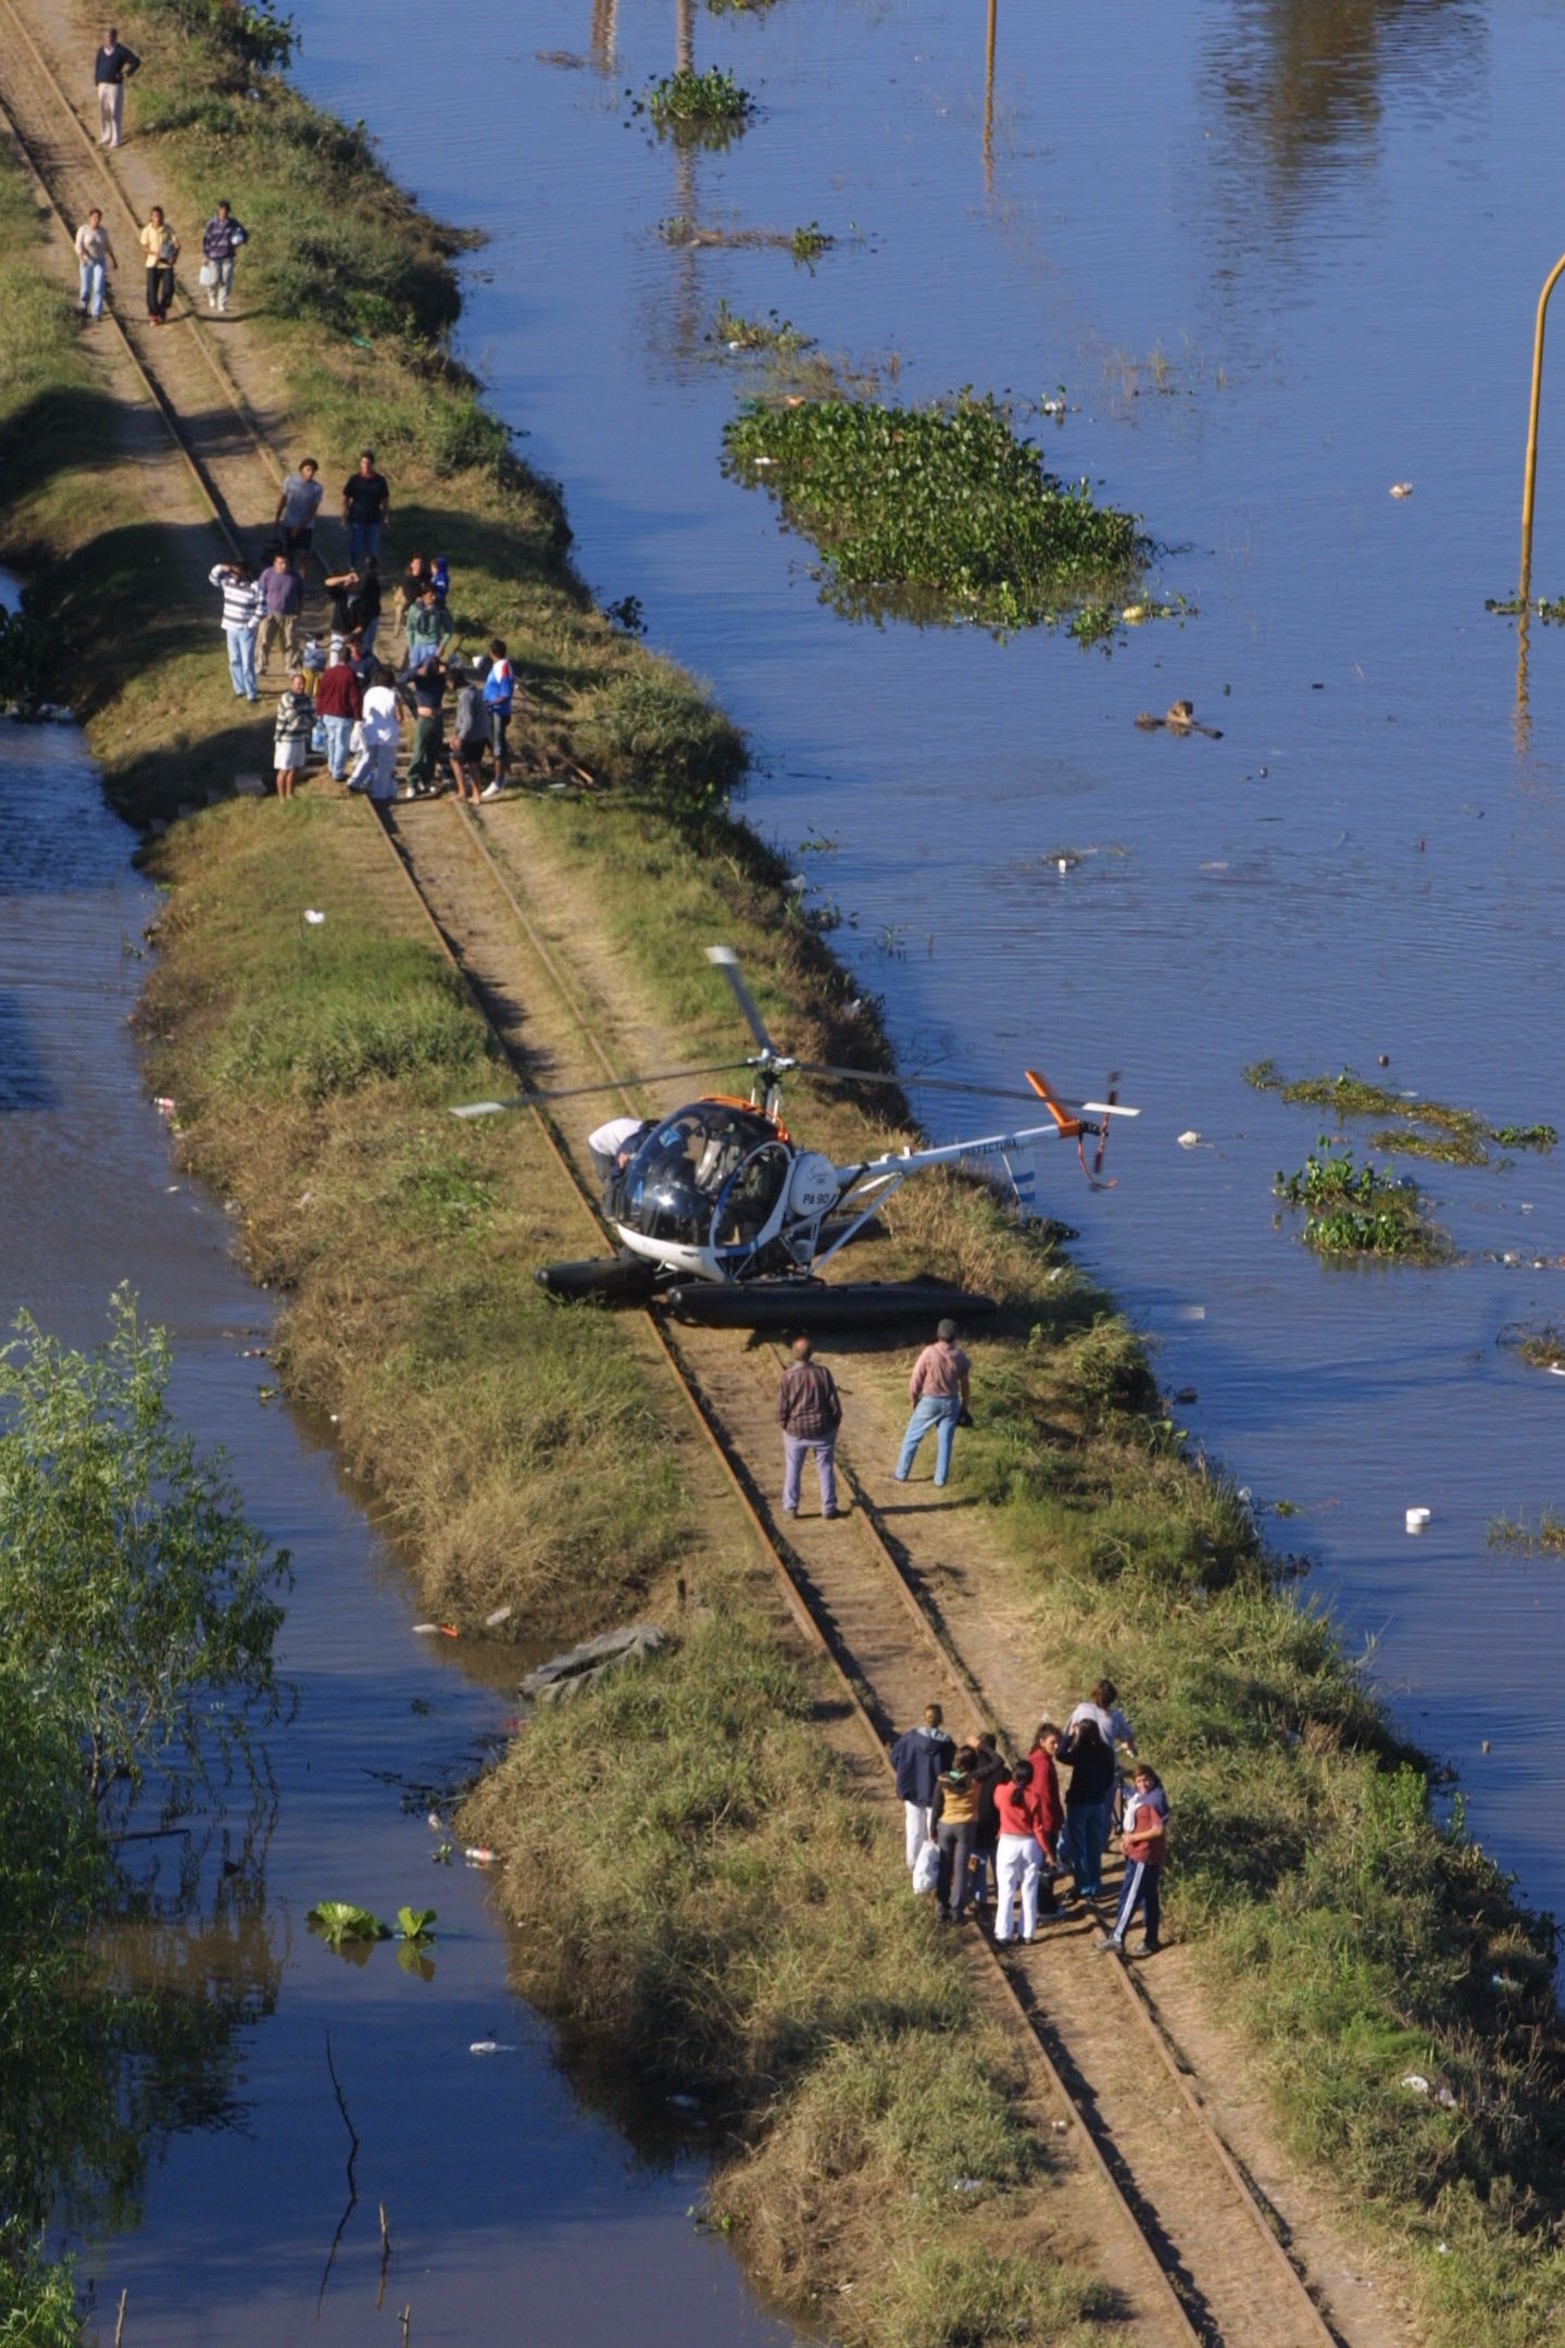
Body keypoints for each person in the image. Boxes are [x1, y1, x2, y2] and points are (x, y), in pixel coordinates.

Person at [1096, 1766, 1170, 1957]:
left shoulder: (1155, 1799)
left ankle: (1117, 1937)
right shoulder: (1142, 1797)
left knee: (1130, 1896)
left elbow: (1158, 1830)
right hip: (1143, 1854)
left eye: (1146, 1780)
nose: (1142, 1784)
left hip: (1144, 1855)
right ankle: (1151, 1939)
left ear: (1153, 1779)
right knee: (1149, 1898)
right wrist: (1127, 1840)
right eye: (1138, 1781)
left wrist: (1132, 1839)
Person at [892, 1318, 970, 1489]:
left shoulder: (929, 1352)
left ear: (938, 1334)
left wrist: (913, 1400)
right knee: (945, 1442)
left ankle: (901, 1473)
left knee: (912, 1437)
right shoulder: (960, 1355)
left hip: (930, 1401)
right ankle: (940, 1480)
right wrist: (965, 1405)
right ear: (955, 1336)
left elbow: (916, 1378)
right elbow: (965, 1383)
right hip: (952, 1401)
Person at [775, 1335, 842, 1522]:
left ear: (794, 1354)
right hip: (822, 1429)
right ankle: (828, 1507)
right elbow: (834, 1404)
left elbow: (781, 1409)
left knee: (793, 1468)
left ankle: (790, 1507)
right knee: (826, 1467)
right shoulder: (823, 1373)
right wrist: (834, 1424)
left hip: (795, 1432)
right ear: (811, 1353)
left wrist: (785, 1426)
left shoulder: (787, 1377)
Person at [890, 1703, 953, 1874]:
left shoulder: (909, 1738)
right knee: (934, 1833)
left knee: (914, 1831)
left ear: (923, 1718)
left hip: (912, 1791)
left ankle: (913, 1867)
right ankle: (933, 1869)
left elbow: (894, 1758)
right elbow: (953, 1770)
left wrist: (907, 1773)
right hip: (936, 1794)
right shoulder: (947, 1744)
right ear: (940, 1720)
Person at [992, 1759, 1050, 1945]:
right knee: (1029, 1888)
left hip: (1008, 1842)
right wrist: (1047, 1850)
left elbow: (998, 1806)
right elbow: (1038, 1827)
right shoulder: (1034, 1797)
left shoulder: (1000, 1791)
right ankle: (1027, 1932)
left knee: (1006, 1889)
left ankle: (1003, 1932)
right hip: (1030, 1844)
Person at [1060, 1715, 1116, 1902]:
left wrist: (1067, 1737)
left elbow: (1060, 1755)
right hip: (1098, 1803)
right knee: (1094, 1844)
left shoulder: (1080, 1752)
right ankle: (1095, 1883)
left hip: (1079, 1803)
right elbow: (1110, 1777)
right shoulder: (1106, 1751)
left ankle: (1083, 1885)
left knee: (1079, 1845)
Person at [929, 1744, 981, 1923]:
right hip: (966, 1827)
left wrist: (932, 1828)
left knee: (944, 1866)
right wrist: (981, 1747)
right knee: (960, 1870)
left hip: (946, 1825)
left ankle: (941, 1907)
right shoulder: (975, 1780)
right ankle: (957, 1911)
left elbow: (936, 1807)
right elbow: (997, 1763)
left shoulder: (943, 1779)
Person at [965, 1730, 1007, 1915]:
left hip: (977, 1823)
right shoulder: (1003, 1772)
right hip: (998, 1824)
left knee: (979, 1864)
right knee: (1000, 1864)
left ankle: (979, 1898)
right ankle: (1002, 1894)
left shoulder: (973, 1770)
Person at [208, 560, 260, 702]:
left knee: (247, 663)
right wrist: (221, 567)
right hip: (230, 628)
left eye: (237, 572)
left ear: (244, 572)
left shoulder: (254, 587)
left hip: (245, 630)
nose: (233, 575)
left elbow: (262, 607)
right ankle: (239, 689)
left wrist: (251, 624)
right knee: (234, 660)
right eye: (232, 572)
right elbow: (212, 578)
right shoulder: (227, 582)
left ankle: (251, 693)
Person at [314, 645, 363, 781]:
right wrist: (358, 716)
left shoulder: (328, 672)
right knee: (342, 744)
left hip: (328, 712)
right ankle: (337, 771)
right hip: (342, 713)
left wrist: (319, 711)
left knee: (331, 741)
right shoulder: (349, 673)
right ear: (349, 658)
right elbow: (354, 697)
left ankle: (331, 766)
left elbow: (321, 694)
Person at [355, 663, 402, 804]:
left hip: (371, 732)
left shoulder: (369, 693)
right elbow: (399, 717)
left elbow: (365, 713)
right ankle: (380, 793)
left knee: (367, 760)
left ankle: (355, 782)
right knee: (384, 765)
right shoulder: (393, 695)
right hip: (388, 735)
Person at [403, 654, 447, 796]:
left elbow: (456, 673)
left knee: (433, 751)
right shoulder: (419, 677)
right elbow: (402, 678)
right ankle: (412, 781)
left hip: (437, 717)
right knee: (419, 750)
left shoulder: (441, 676)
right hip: (424, 717)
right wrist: (416, 671)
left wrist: (445, 668)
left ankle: (427, 780)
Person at [255, 551, 302, 676]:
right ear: (275, 563)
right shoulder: (267, 574)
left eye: (286, 563)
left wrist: (299, 612)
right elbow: (260, 592)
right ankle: (260, 665)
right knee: (264, 640)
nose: (284, 565)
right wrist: (260, 611)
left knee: (290, 642)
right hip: (269, 613)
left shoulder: (295, 576)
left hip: (289, 614)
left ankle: (291, 667)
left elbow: (301, 595)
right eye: (281, 563)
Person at [449, 659, 489, 804]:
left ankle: (463, 792)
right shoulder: (472, 691)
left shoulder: (465, 695)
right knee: (473, 763)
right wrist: (455, 732)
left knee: (456, 759)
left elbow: (467, 720)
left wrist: (461, 738)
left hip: (473, 735)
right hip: (481, 733)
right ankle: (475, 794)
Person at [94, 26, 140, 148]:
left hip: (114, 86)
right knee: (104, 111)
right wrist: (97, 81)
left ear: (115, 37)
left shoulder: (120, 51)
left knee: (114, 112)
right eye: (107, 37)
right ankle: (105, 135)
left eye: (111, 37)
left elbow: (135, 61)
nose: (109, 39)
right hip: (102, 85)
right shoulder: (100, 51)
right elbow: (97, 66)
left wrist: (125, 73)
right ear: (103, 38)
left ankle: (116, 138)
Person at [1067, 1679, 1137, 1760]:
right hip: (1104, 1763)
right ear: (1112, 1698)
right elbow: (1128, 1738)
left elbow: (1070, 1731)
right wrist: (1127, 1746)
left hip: (1082, 1760)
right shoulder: (1115, 1717)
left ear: (1093, 1694)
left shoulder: (1082, 1709)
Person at [200, 199, 247, 314]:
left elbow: (244, 234)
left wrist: (240, 240)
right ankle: (211, 294)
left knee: (226, 280)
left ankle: (222, 303)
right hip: (214, 256)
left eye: (225, 209)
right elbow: (206, 239)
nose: (223, 212)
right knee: (214, 279)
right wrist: (205, 255)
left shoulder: (233, 223)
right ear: (218, 210)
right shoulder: (212, 223)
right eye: (221, 209)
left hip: (228, 256)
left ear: (228, 211)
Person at [342, 450, 389, 564]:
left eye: (368, 463)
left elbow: (385, 500)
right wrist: (344, 515)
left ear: (372, 464)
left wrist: (385, 517)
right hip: (357, 517)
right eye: (363, 462)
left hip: (374, 518)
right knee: (356, 547)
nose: (366, 465)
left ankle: (371, 570)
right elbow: (346, 498)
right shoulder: (355, 479)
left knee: (373, 548)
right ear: (360, 463)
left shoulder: (380, 480)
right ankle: (353, 569)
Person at [272, 672, 314, 798]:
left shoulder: (306, 699)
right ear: (292, 684)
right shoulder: (287, 698)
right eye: (298, 684)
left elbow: (313, 719)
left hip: (300, 738)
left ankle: (290, 794)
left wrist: (305, 720)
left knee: (295, 768)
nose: (301, 686)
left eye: (303, 684)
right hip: (286, 739)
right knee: (284, 769)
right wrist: (306, 720)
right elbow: (294, 720)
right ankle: (281, 798)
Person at [275, 459, 323, 567]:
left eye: (313, 471)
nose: (310, 473)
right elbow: (283, 499)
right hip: (289, 523)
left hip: (306, 527)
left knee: (303, 556)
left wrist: (299, 527)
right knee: (287, 555)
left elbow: (312, 511)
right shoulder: (290, 481)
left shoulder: (316, 488)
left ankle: (301, 582)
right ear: (301, 469)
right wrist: (277, 519)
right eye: (308, 470)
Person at [481, 637, 513, 796]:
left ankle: (498, 781)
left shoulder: (503, 667)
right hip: (493, 710)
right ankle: (499, 776)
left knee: (498, 747)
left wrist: (488, 704)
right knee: (493, 743)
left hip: (498, 711)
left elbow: (505, 693)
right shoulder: (498, 666)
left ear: (492, 653)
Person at [74, 208, 116, 323]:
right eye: (95, 217)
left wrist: (113, 259)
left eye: (99, 218)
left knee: (98, 287)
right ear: (90, 218)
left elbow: (107, 246)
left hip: (99, 261)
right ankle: (83, 306)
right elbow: (78, 246)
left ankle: (96, 312)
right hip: (87, 261)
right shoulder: (83, 230)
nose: (96, 220)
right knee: (86, 287)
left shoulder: (103, 231)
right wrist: (81, 258)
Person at [139, 206, 178, 326]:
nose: (157, 218)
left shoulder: (168, 229)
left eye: (159, 215)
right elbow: (144, 246)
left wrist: (174, 256)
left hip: (166, 264)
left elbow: (177, 244)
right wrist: (153, 252)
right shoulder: (147, 230)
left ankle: (163, 308)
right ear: (151, 217)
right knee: (151, 290)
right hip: (152, 263)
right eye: (155, 216)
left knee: (169, 289)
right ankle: (153, 314)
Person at [402, 584, 450, 676]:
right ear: (423, 596)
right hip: (417, 647)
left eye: (434, 595)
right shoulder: (414, 609)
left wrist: (442, 645)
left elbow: (449, 628)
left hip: (432, 647)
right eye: (431, 595)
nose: (434, 597)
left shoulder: (439, 609)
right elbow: (410, 629)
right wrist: (411, 647)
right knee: (416, 675)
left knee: (431, 675)